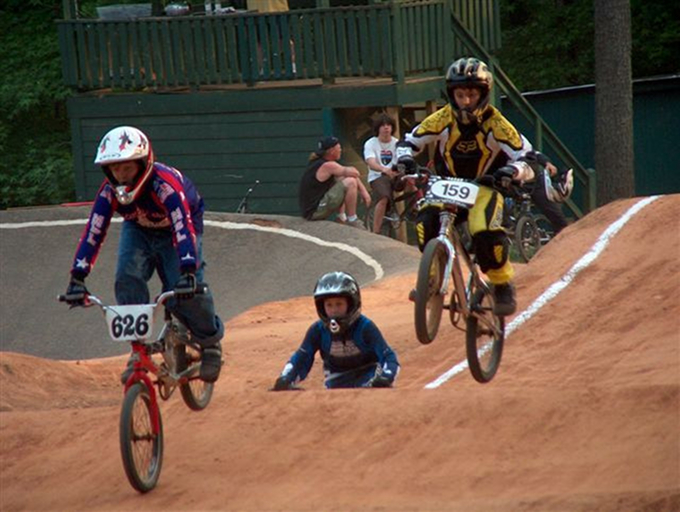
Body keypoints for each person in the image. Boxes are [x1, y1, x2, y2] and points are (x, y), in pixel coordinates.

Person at [62, 126, 225, 383]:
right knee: (127, 276)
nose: (121, 175)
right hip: (138, 226)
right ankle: (137, 350)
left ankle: (210, 343)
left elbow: (183, 227)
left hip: (179, 223)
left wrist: (188, 270)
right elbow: (93, 231)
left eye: (126, 168)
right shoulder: (108, 192)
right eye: (114, 169)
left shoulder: (165, 187)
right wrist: (77, 278)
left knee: (187, 288)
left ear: (143, 163)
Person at [396, 57, 544, 316]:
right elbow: (409, 141)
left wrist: (512, 170)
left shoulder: (496, 123)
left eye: (472, 94)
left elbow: (527, 155)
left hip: (484, 187)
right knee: (426, 221)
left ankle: (501, 283)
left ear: (483, 94)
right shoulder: (442, 118)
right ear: (451, 94)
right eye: (460, 94)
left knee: (484, 230)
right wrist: (406, 159)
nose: (465, 101)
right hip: (445, 184)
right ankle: (430, 279)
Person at [272, 271, 400, 390]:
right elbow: (302, 357)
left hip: (368, 377)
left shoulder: (365, 327)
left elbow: (387, 355)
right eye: (329, 305)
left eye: (339, 304)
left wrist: (387, 376)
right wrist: (286, 378)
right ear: (321, 307)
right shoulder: (317, 330)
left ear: (351, 304)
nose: (334, 310)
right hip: (335, 381)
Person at [299, 136, 371, 229]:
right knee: (350, 182)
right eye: (339, 148)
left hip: (310, 210)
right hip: (315, 211)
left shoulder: (318, 163)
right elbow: (354, 173)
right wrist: (364, 193)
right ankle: (352, 219)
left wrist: (364, 192)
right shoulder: (328, 165)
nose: (341, 150)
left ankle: (341, 217)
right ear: (331, 150)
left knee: (341, 179)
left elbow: (347, 174)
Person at [363, 113, 401, 234]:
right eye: (383, 125)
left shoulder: (397, 143)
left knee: (413, 182)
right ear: (377, 128)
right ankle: (376, 232)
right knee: (383, 198)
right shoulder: (370, 143)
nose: (386, 128)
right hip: (378, 176)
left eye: (389, 125)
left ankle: (413, 211)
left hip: (395, 175)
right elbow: (371, 162)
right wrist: (384, 170)